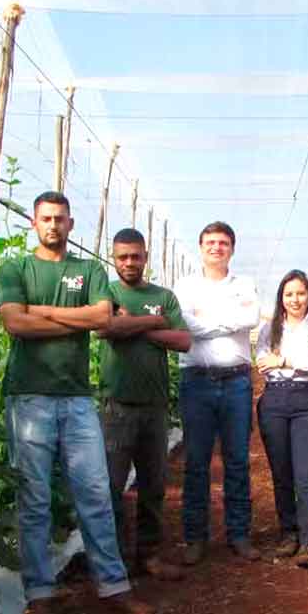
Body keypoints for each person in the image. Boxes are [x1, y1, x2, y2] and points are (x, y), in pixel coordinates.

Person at [0, 191, 152, 614]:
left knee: (96, 493)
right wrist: (70, 316)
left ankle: (114, 586)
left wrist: (39, 311)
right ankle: (40, 593)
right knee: (34, 498)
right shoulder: (16, 268)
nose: (53, 225)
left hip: (78, 398)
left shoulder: (89, 270)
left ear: (71, 224)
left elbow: (102, 319)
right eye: (46, 218)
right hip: (28, 397)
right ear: (33, 222)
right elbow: (13, 323)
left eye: (60, 219)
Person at [96, 228, 192, 582]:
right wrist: (154, 322)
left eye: (135, 256)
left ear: (145, 256)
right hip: (116, 405)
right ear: (113, 256)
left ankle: (149, 554)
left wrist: (134, 325)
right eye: (122, 256)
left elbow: (183, 341)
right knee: (112, 487)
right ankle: (116, 560)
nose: (129, 263)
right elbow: (104, 328)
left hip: (154, 406)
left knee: (153, 484)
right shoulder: (105, 291)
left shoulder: (162, 296)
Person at [173, 221, 262, 565]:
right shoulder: (185, 285)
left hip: (237, 382)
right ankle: (195, 538)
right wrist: (227, 320)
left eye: (223, 242)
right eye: (210, 242)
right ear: (200, 247)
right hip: (197, 381)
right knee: (196, 462)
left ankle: (239, 535)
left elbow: (251, 317)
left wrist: (206, 320)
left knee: (237, 460)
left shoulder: (245, 284)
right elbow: (184, 323)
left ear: (232, 249)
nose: (216, 247)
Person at [255, 270, 308, 569]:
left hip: (306, 402)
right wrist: (290, 363)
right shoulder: (269, 330)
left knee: (306, 475)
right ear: (281, 298)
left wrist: (285, 360)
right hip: (274, 400)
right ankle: (288, 534)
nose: (295, 299)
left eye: (301, 293)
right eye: (289, 294)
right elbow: (263, 362)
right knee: (282, 473)